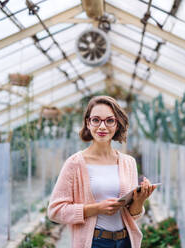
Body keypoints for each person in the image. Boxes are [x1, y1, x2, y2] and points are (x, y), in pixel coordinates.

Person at [47, 95, 157, 248]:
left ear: (117, 124)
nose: (102, 127)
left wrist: (140, 200)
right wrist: (96, 209)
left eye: (110, 120)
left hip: (126, 241)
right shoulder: (75, 163)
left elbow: (133, 214)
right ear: (88, 123)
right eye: (96, 120)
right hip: (94, 242)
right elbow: (55, 211)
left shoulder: (128, 162)